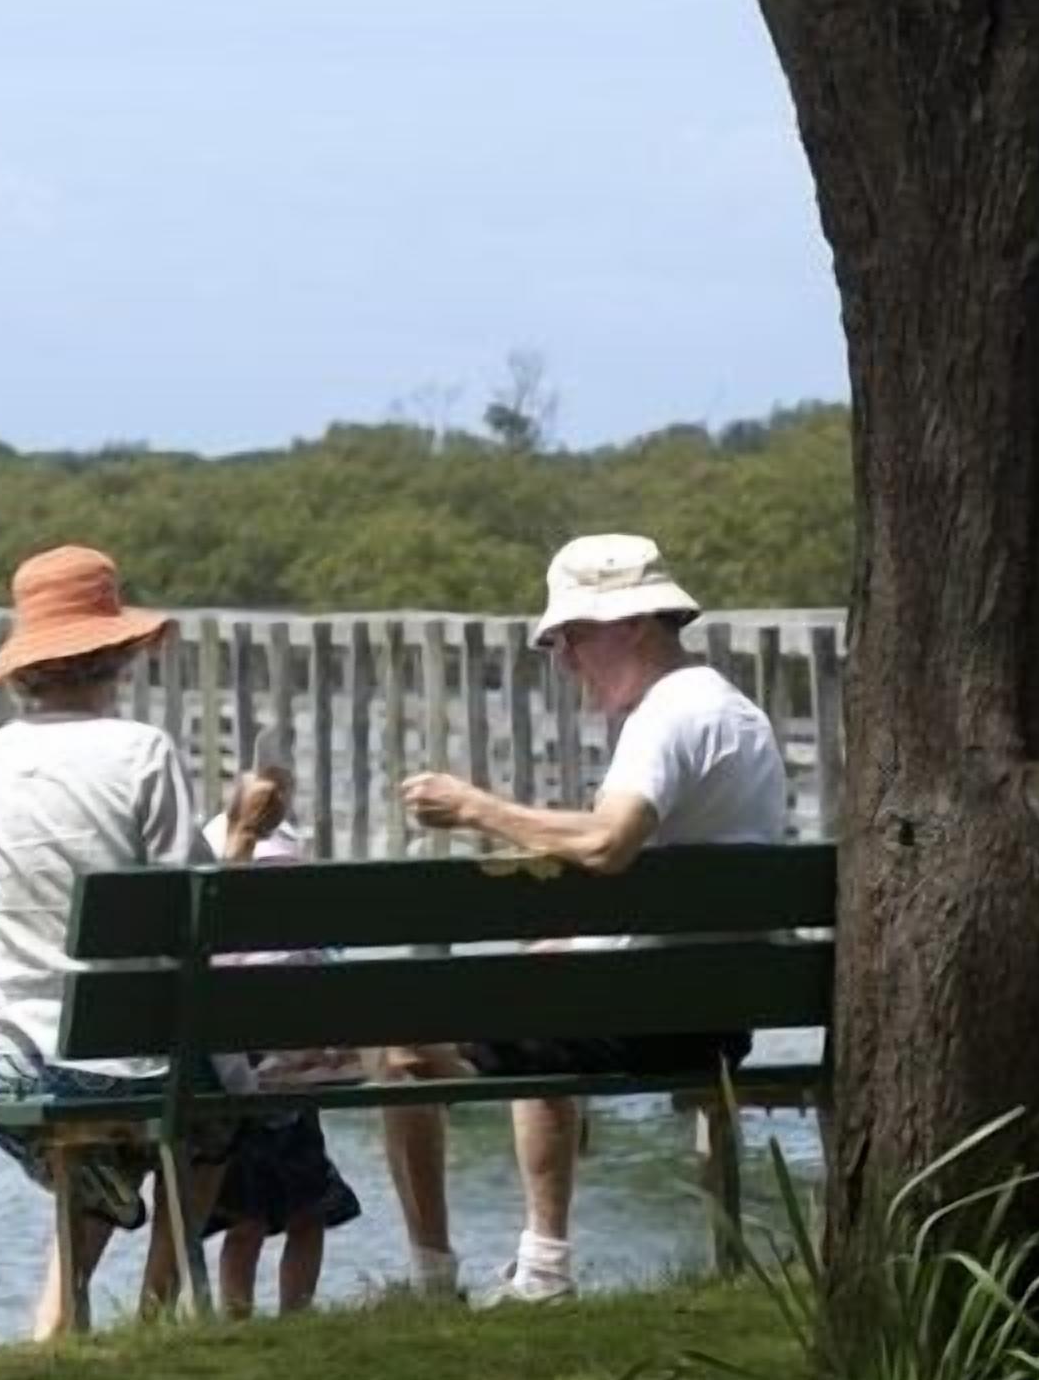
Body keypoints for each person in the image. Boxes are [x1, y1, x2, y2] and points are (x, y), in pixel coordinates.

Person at [387, 533, 786, 1304]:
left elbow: (608, 841)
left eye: (571, 636)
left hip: (642, 1016)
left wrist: (474, 807)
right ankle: (541, 1263)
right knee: (545, 983)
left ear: (633, 624)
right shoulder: (740, 715)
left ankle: (441, 1280)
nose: (563, 657)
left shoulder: (666, 717)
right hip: (722, 1016)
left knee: (400, 1045)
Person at [0, 543, 239, 1338]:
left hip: (12, 1068)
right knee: (214, 1119)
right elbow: (193, 908)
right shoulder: (140, 750)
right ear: (116, 650)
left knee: (99, 1135)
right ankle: (152, 1319)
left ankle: (65, 1297)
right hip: (133, 1064)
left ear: (25, 663)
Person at [198, 750, 363, 1319]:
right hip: (287, 1078)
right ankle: (291, 1312)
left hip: (244, 1077)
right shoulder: (302, 938)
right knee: (303, 1212)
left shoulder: (215, 925)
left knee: (248, 1220)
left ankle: (239, 1316)